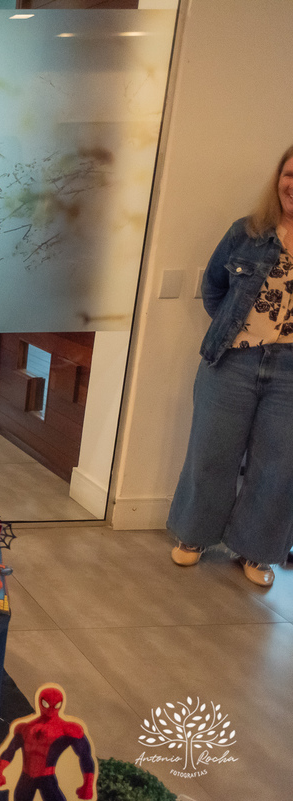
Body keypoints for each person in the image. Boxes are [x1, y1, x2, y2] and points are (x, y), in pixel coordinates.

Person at [167, 144, 293, 588]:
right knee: (211, 453)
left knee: (281, 465)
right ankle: (194, 537)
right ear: (278, 177)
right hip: (233, 360)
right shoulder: (248, 232)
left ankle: (257, 551)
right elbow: (215, 288)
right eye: (290, 174)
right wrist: (235, 329)